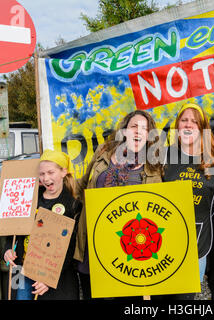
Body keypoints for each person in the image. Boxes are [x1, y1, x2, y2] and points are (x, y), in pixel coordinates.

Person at [74, 110, 163, 300]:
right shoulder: (103, 152)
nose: (138, 131)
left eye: (144, 128)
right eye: (133, 126)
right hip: (95, 243)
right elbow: (82, 186)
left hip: (129, 250)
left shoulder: (155, 167)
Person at [161, 103, 214, 299]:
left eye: (195, 122)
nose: (189, 125)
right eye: (184, 120)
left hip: (199, 240)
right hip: (165, 239)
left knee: (184, 298)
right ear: (177, 125)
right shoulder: (163, 155)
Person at [3, 149, 82, 300]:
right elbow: (14, 229)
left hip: (55, 277)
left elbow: (70, 248)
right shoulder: (30, 198)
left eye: (51, 172)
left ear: (63, 172)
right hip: (22, 270)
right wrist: (7, 250)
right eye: (42, 174)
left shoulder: (73, 205)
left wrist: (49, 278)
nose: (46, 178)